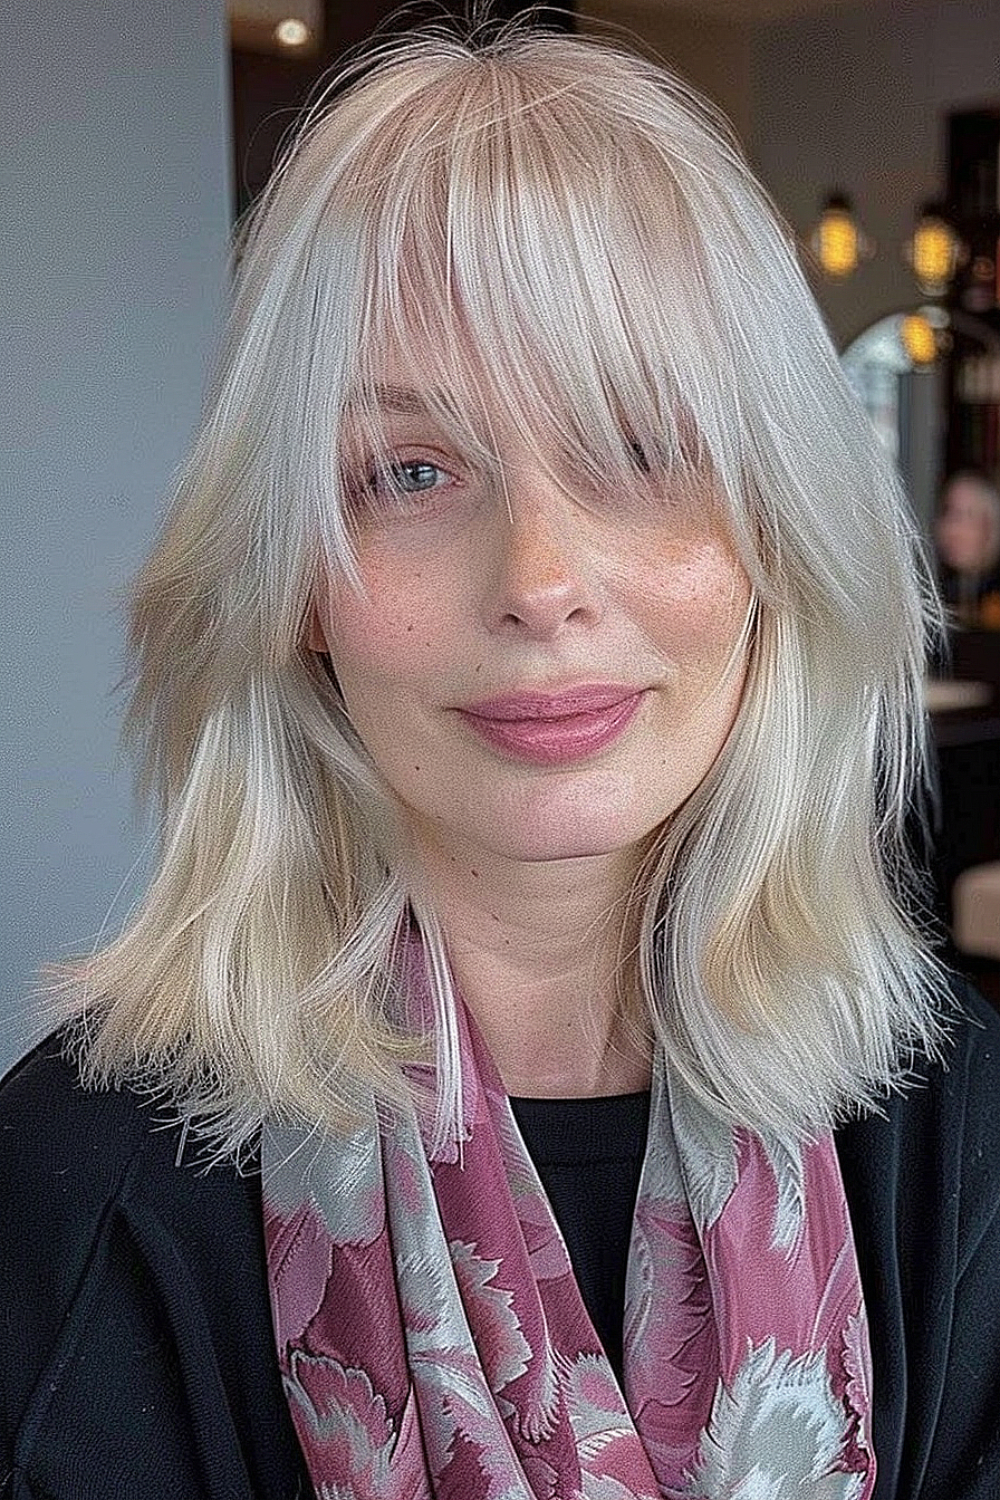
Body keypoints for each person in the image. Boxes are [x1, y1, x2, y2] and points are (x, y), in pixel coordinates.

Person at [3, 19, 1000, 1500]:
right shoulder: (82, 1199)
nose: (540, 579)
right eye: (410, 472)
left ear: (776, 537)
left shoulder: (955, 1142)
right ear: (293, 583)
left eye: (640, 446)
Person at [934, 469, 1000, 628]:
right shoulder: (938, 595)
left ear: (989, 526)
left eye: (966, 516)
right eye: (947, 513)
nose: (951, 529)